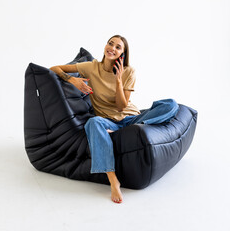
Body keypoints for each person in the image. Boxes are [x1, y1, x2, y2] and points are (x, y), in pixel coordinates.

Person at [49, 35, 179, 204]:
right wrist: (72, 79)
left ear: (122, 54)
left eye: (118, 47)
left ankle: (131, 129)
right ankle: (112, 179)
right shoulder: (91, 67)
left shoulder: (129, 72)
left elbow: (121, 107)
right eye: (111, 44)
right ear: (105, 46)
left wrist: (118, 80)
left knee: (171, 104)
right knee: (93, 123)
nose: (112, 48)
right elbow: (54, 68)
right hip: (107, 121)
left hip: (131, 118)